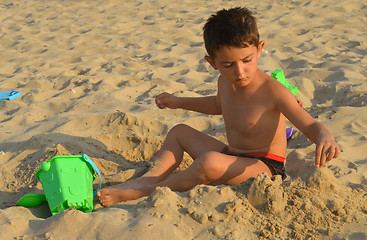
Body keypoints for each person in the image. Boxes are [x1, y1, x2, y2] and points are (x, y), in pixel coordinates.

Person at [97, 7, 340, 207]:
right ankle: (152, 177)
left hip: (265, 168)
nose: (240, 72)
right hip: (233, 154)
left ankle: (146, 191)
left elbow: (308, 124)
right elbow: (218, 105)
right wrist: (179, 101)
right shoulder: (225, 81)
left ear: (259, 49)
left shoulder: (273, 90)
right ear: (212, 63)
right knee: (179, 132)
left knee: (208, 163)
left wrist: (324, 136)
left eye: (247, 61)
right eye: (228, 65)